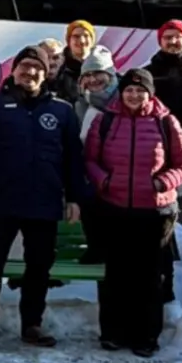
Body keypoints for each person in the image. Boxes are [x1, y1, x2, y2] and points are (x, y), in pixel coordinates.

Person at [0, 46, 85, 349]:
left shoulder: (62, 111)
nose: (29, 72)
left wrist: (74, 198)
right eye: (24, 66)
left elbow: (73, 159)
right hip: (0, 201)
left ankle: (32, 323)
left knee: (39, 267)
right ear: (13, 70)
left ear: (45, 74)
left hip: (44, 201)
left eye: (36, 68)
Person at [83, 68, 182, 357]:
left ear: (149, 93)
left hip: (155, 211)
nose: (134, 95)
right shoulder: (105, 121)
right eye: (129, 90)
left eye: (140, 90)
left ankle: (145, 335)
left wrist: (162, 182)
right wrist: (103, 180)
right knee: (115, 274)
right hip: (114, 208)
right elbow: (90, 160)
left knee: (148, 276)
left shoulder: (166, 122)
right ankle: (113, 333)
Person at [146, 19, 182, 298]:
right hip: (160, 152)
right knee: (162, 209)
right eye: (166, 36)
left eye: (177, 36)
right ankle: (167, 254)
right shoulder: (149, 73)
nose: (172, 41)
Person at [71, 44, 118, 265]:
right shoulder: (80, 105)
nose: (93, 80)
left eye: (98, 73)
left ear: (111, 75)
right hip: (92, 178)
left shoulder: (126, 100)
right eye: (87, 75)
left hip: (121, 178)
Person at [53, 21, 96, 105]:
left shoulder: (103, 67)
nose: (82, 41)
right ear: (69, 41)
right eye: (76, 36)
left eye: (86, 36)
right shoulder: (59, 69)